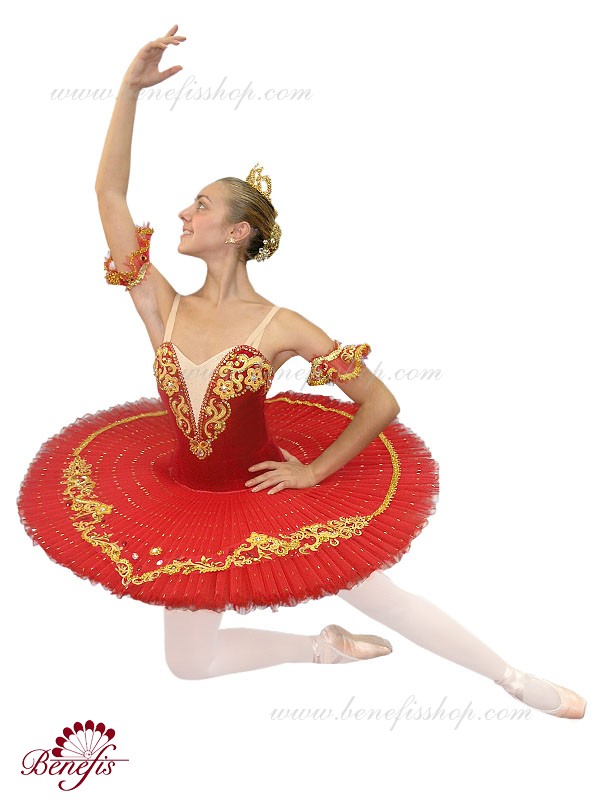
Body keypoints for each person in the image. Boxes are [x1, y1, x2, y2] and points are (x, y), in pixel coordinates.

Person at [17, 25, 586, 719]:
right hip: (185, 498)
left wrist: (313, 473)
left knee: (388, 600)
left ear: (237, 233)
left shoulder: (281, 325)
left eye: (201, 205)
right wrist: (129, 92)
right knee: (187, 664)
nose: (183, 213)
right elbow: (108, 195)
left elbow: (380, 402)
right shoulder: (161, 304)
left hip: (269, 494)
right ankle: (324, 648)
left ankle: (515, 680)